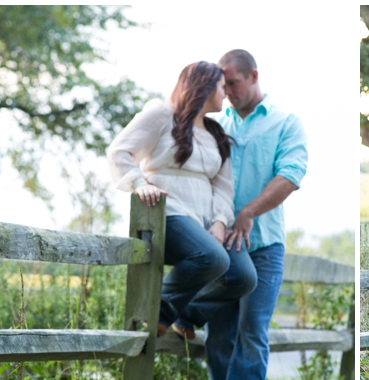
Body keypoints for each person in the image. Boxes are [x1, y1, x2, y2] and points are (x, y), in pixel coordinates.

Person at [107, 61, 257, 341]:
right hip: (169, 214)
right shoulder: (163, 114)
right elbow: (119, 151)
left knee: (243, 276)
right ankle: (154, 313)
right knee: (212, 257)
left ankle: (187, 317)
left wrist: (220, 222)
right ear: (205, 86)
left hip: (205, 221)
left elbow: (224, 188)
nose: (225, 94)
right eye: (222, 87)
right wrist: (140, 184)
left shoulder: (216, 134)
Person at [203, 49, 308, 380]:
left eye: (232, 82)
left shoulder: (285, 122)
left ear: (253, 76)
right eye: (223, 84)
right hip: (218, 248)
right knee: (217, 335)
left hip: (263, 246)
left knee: (251, 331)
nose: (227, 91)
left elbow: (291, 175)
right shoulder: (217, 125)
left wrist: (248, 212)